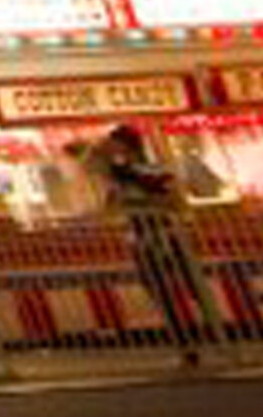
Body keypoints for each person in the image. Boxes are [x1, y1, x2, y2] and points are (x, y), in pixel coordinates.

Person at [97, 126, 211, 360]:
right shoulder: (120, 175)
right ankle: (185, 341)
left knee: (186, 286)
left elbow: (165, 194)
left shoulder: (146, 170)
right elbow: (112, 206)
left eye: (115, 144)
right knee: (160, 291)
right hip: (142, 237)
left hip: (163, 233)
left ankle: (205, 332)